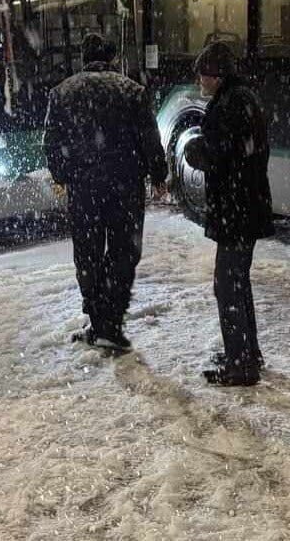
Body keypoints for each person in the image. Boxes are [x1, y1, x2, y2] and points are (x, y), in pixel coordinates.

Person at [44, 33, 168, 351]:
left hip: (85, 189)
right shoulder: (133, 91)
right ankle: (111, 321)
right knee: (124, 251)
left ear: (84, 59)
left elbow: (52, 143)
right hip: (125, 186)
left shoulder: (62, 92)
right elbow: (150, 138)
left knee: (88, 253)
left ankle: (98, 320)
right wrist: (158, 174)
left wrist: (64, 175)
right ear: (111, 58)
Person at [184, 41, 272, 387]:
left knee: (227, 286)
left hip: (236, 207)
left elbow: (219, 153)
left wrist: (194, 149)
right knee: (237, 282)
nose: (200, 82)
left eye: (203, 75)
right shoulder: (244, 98)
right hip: (247, 203)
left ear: (216, 76)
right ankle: (247, 352)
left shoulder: (227, 105)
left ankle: (240, 364)